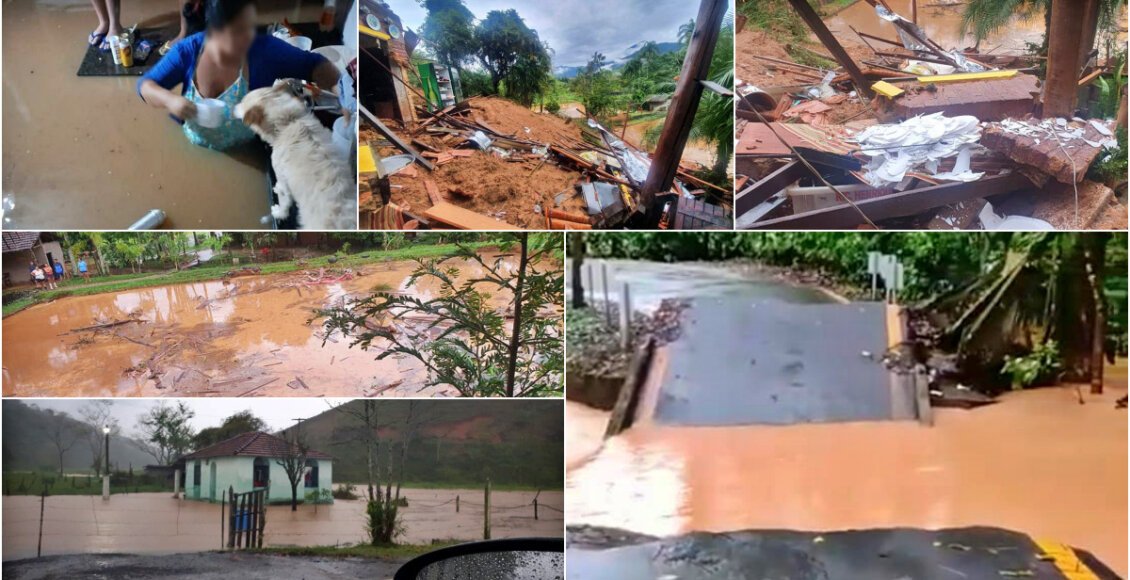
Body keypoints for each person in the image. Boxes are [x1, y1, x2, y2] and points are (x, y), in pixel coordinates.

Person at [137, 0, 340, 151]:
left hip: (246, 151)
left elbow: (316, 65)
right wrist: (170, 100)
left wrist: (345, 94)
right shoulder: (188, 50)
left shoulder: (265, 50)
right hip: (193, 146)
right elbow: (145, 85)